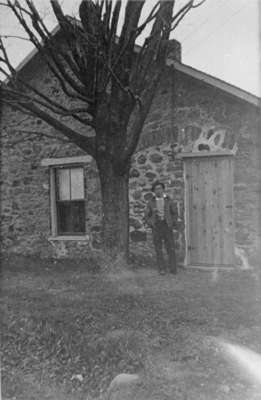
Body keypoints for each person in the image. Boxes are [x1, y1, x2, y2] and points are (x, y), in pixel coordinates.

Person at [144, 180, 178, 275]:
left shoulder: (169, 200)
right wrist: (151, 223)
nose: (158, 191)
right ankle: (162, 269)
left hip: (167, 226)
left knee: (170, 247)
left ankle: (173, 268)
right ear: (153, 191)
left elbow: (175, 213)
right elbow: (147, 216)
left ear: (163, 189)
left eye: (160, 188)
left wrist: (172, 223)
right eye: (156, 189)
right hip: (157, 226)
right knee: (158, 248)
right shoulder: (151, 202)